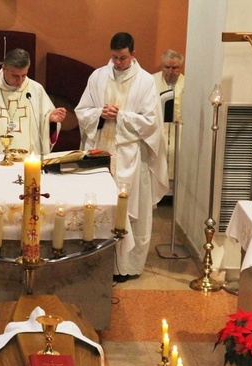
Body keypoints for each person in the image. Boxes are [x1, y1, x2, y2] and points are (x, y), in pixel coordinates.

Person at [75, 32, 168, 283]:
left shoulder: (146, 82)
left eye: (123, 58)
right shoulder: (97, 77)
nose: (118, 63)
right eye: (114, 57)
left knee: (130, 211)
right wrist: (100, 113)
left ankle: (126, 267)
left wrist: (122, 116)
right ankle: (98, 263)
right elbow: (82, 112)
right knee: (99, 209)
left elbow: (152, 123)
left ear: (133, 54)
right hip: (100, 155)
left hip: (130, 156)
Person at [0, 48, 67, 155]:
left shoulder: (36, 90)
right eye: (15, 76)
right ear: (4, 69)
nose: (20, 81)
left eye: (24, 75)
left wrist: (50, 121)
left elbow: (45, 126)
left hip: (26, 160)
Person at [152, 49, 185, 185]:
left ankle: (177, 190)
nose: (170, 71)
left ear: (180, 67)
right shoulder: (151, 81)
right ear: (162, 65)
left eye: (175, 68)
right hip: (157, 128)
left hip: (180, 129)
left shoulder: (188, 83)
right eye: (167, 67)